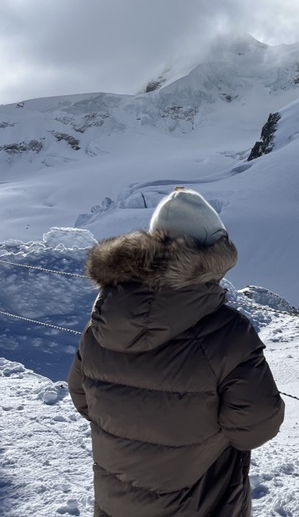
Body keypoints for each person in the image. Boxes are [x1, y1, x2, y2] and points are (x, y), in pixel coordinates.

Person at [68, 187, 285, 516]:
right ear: (212, 257)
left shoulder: (100, 324)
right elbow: (256, 424)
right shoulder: (228, 332)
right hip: (201, 499)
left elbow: (82, 397)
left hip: (117, 500)